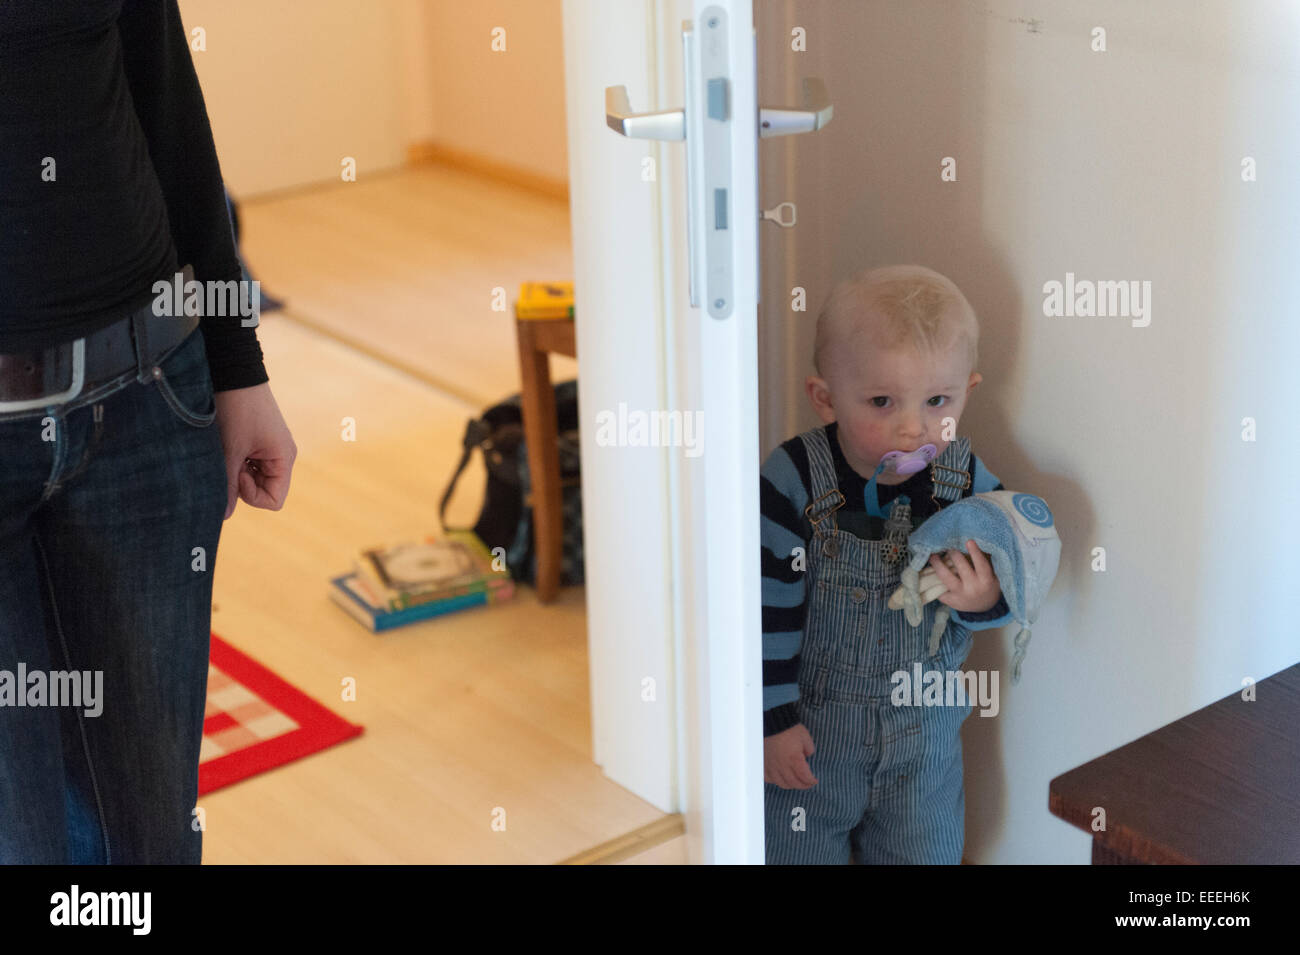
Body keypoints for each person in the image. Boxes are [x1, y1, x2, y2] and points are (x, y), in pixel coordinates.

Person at [0, 0, 296, 863]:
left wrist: (238, 363)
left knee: (148, 841)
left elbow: (162, 94)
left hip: (143, 398)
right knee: (28, 846)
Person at [761, 264, 1013, 864]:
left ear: (967, 392)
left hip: (923, 746)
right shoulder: (793, 479)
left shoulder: (970, 484)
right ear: (825, 398)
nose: (913, 427)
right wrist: (772, 721)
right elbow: (764, 606)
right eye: (881, 401)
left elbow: (1014, 565)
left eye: (937, 401)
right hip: (815, 738)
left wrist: (984, 600)